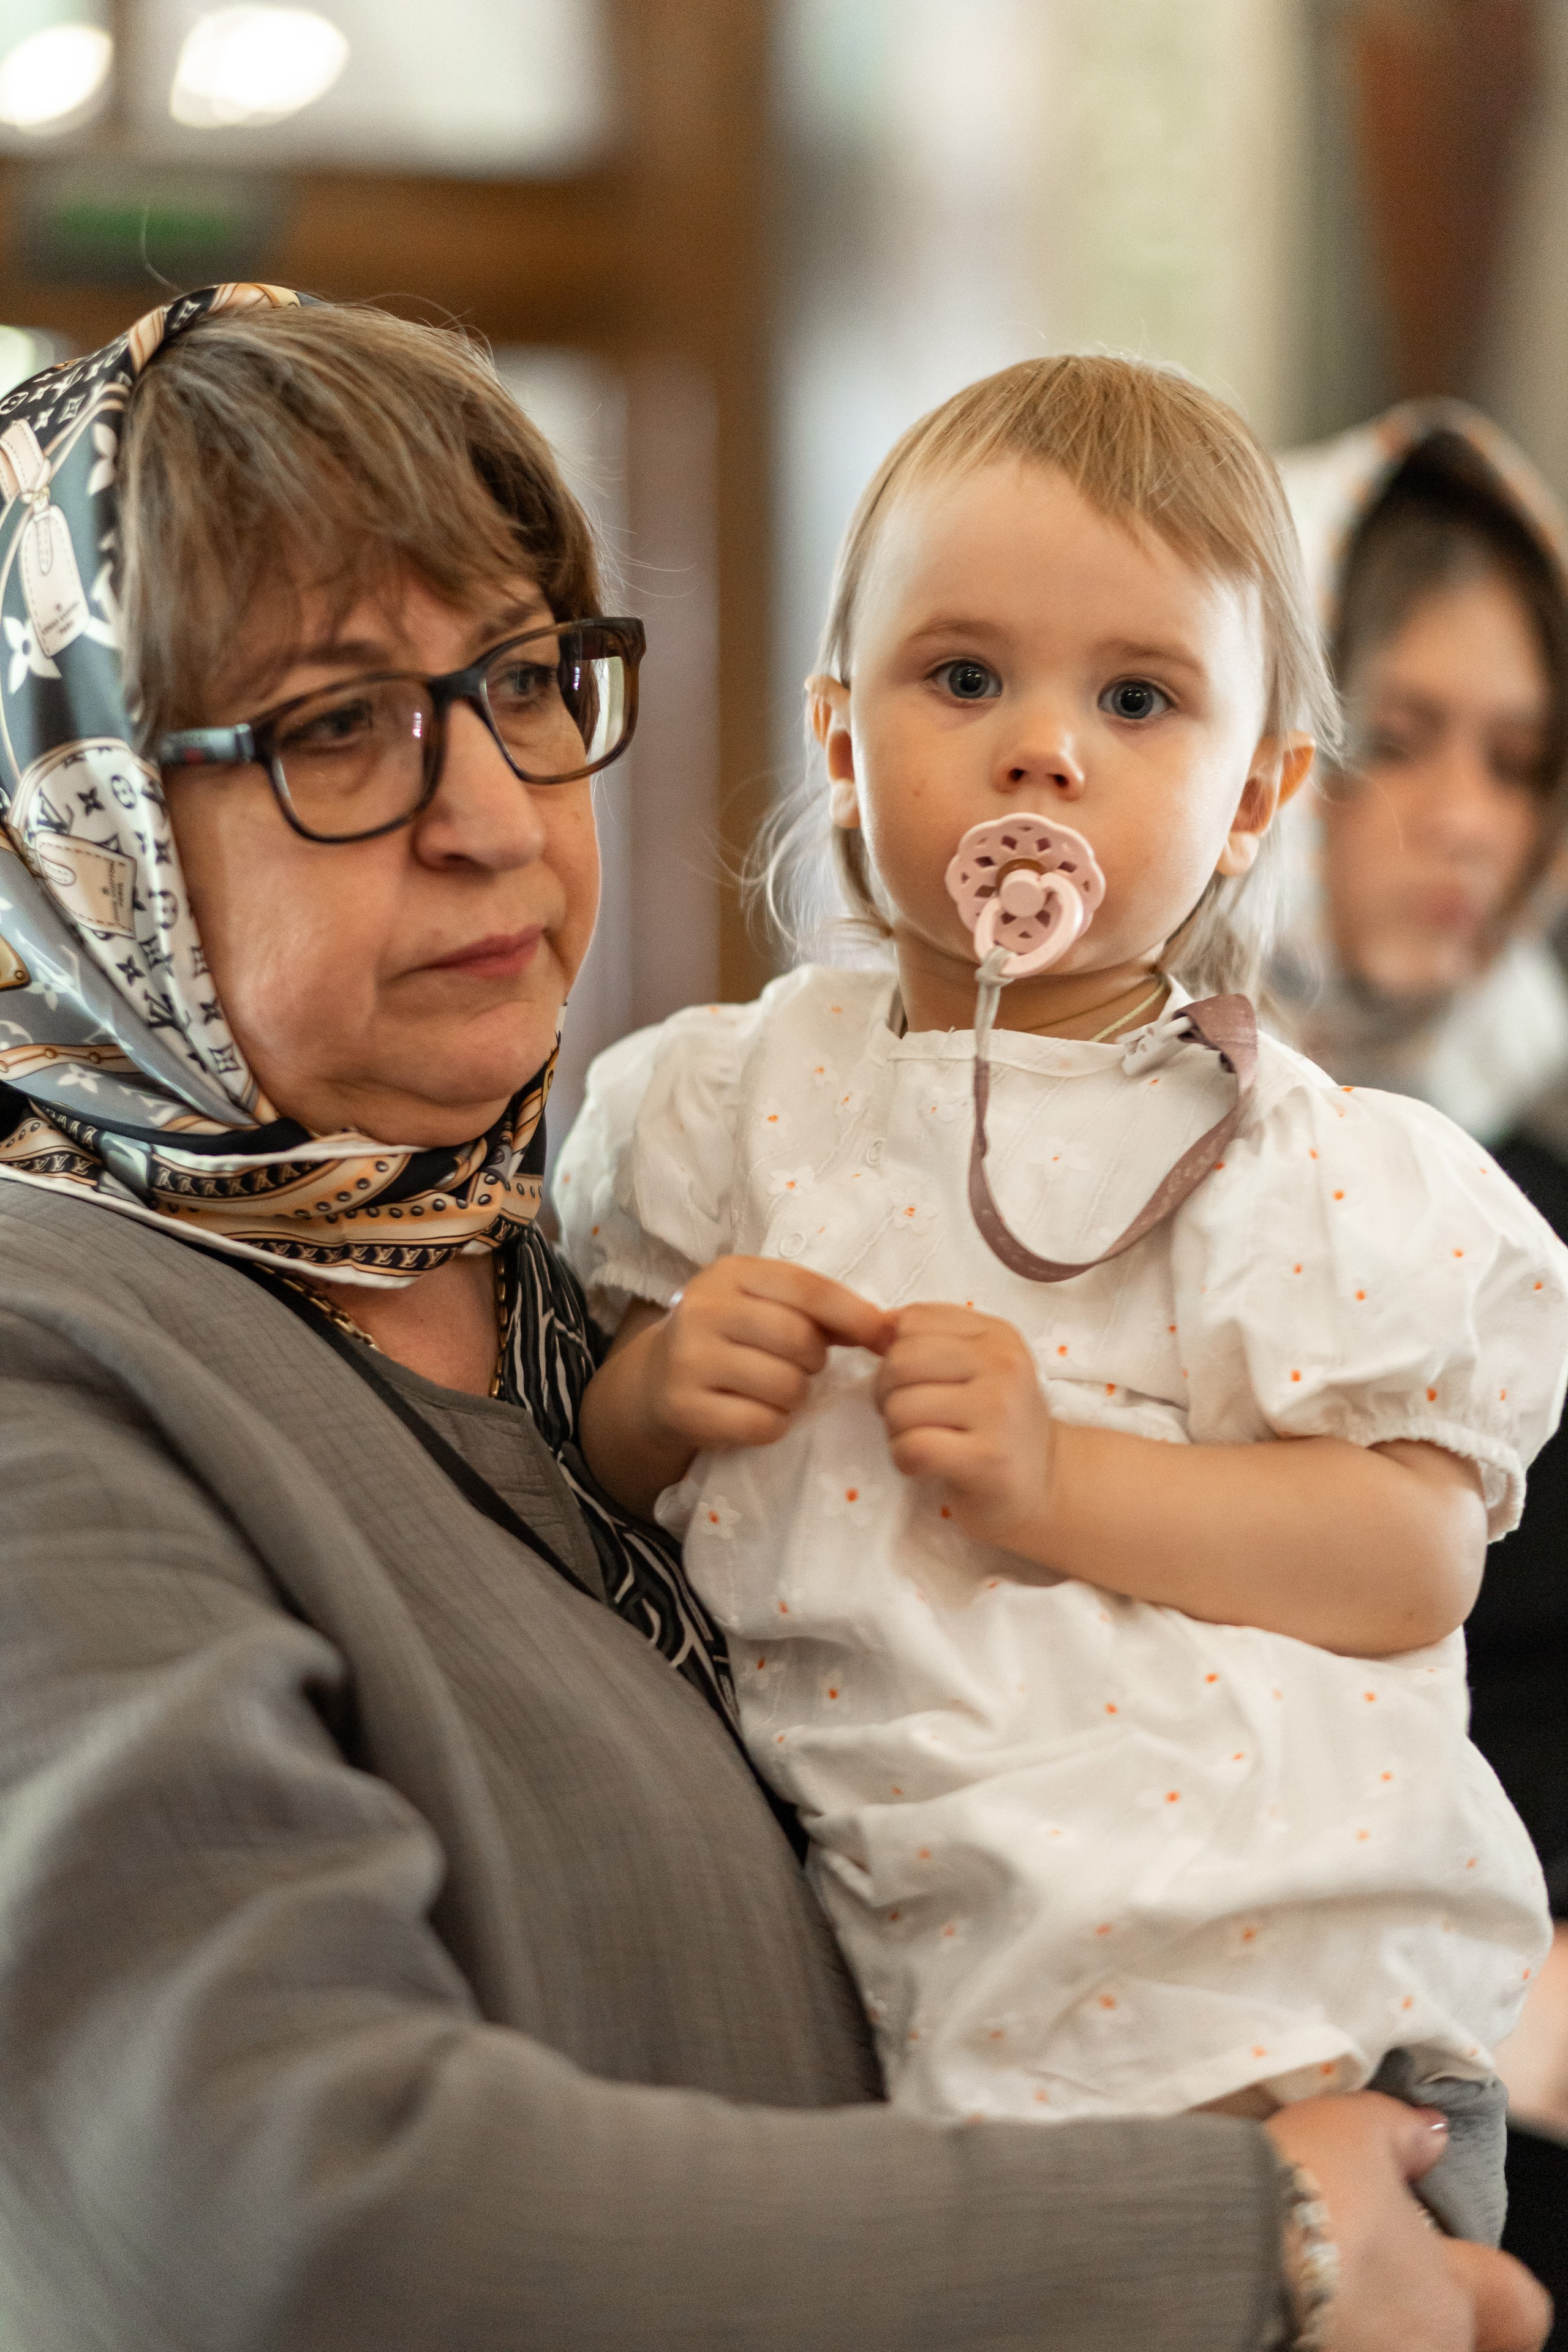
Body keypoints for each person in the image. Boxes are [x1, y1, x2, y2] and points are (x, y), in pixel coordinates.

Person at [0, 290, 1550, 2352]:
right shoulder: (61, 1362)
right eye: (336, 725)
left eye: (524, 681)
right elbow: (293, 2220)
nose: (491, 811)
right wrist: (1241, 2237)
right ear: (84, 805)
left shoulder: (533, 1260)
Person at [557, 356, 1568, 2252]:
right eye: (963, 678)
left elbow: (1412, 1559)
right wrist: (659, 1392)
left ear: (1257, 794)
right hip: (890, 1931)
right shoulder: (728, 1106)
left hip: (1255, 1974)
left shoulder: (1288, 1165)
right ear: (838, 735)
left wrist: (1057, 1483)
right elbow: (586, 1477)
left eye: (1136, 699)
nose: (1042, 752)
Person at [1276, 398, 1568, 2331]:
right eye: (1399, 739)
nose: (1470, 821)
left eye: (1522, 762)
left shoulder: (1540, 1176)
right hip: (1258, 2100)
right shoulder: (1074, 1181)